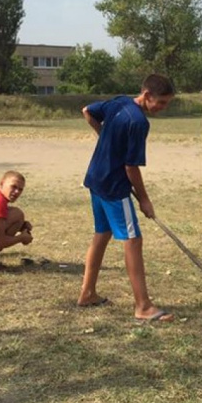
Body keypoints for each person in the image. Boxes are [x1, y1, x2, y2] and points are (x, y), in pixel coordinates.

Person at [78, 73, 175, 322]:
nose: (163, 108)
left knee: (102, 234)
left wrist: (106, 139)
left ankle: (87, 293)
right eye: (161, 102)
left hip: (96, 178)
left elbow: (87, 111)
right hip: (113, 186)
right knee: (133, 240)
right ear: (146, 95)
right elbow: (131, 167)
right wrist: (144, 200)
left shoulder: (119, 102)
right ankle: (143, 306)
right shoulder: (138, 122)